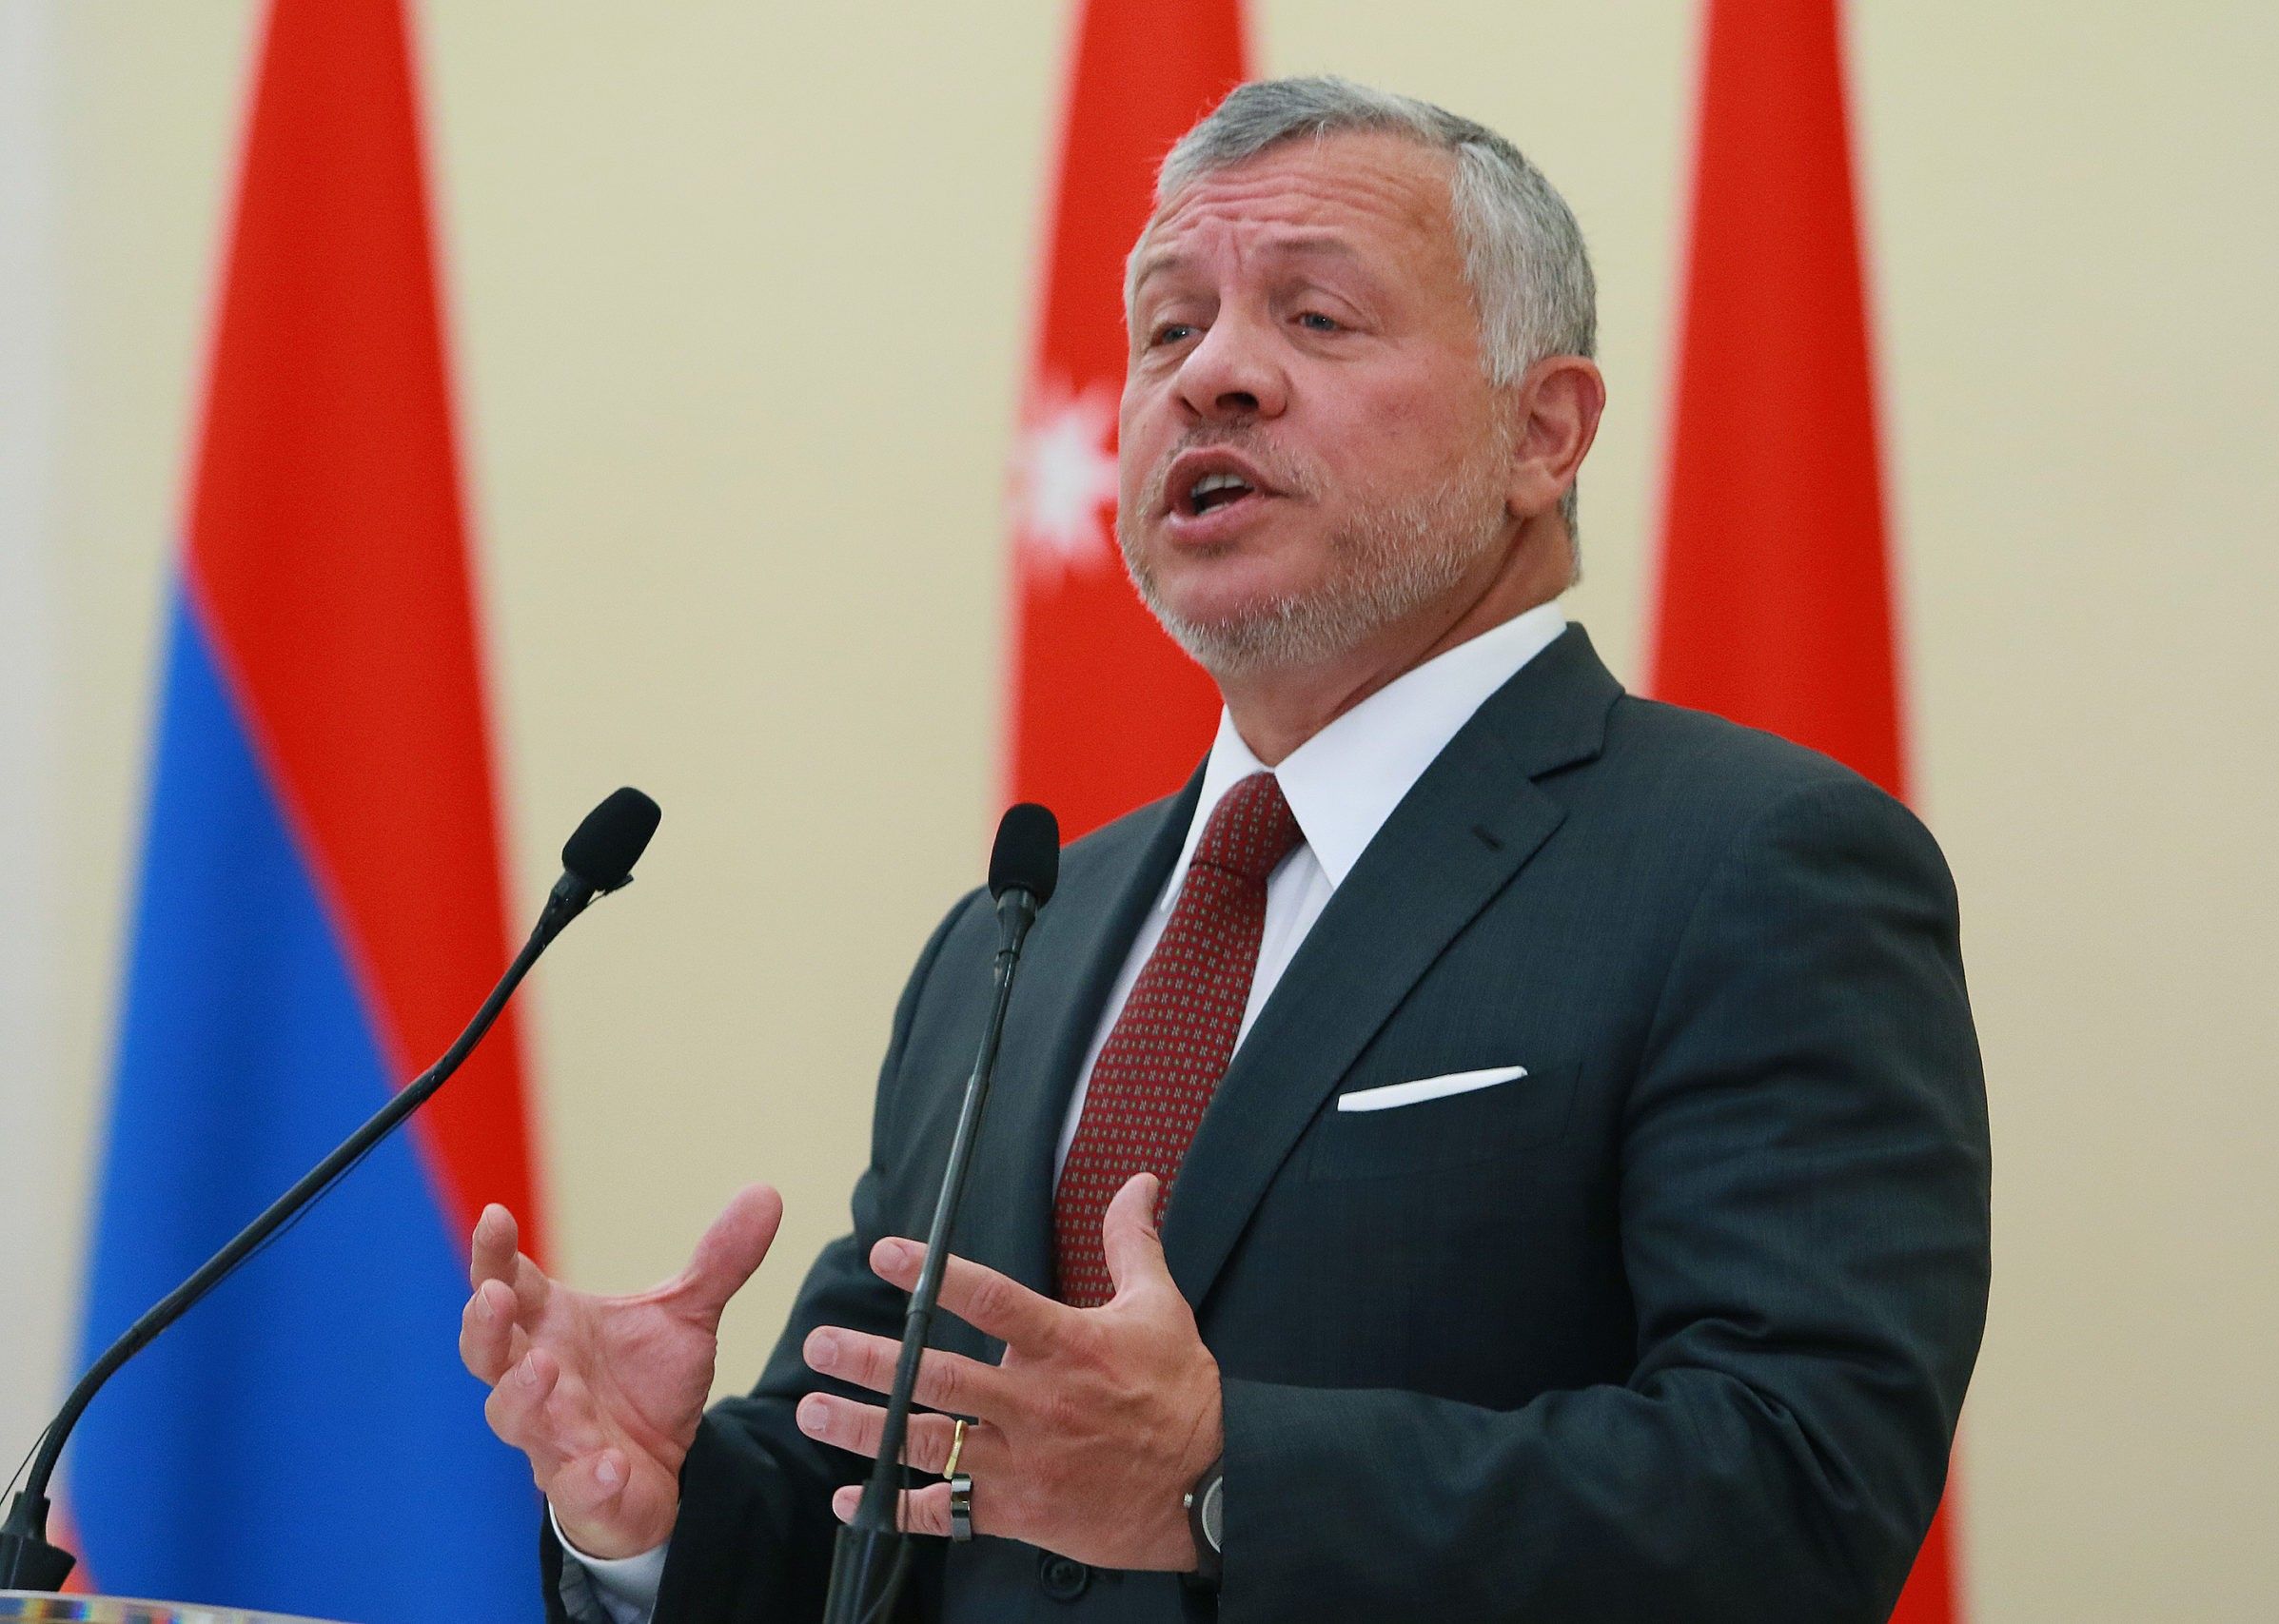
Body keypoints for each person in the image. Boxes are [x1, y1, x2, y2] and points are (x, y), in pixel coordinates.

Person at [460, 77, 1990, 1623]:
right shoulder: (1018, 933)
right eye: (1168, 329)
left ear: (1543, 432)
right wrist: (658, 1510)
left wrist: (1219, 1479)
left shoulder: (1752, 867)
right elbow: (878, 1494)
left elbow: (1802, 1492)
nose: (1213, 377)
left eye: (1316, 318)